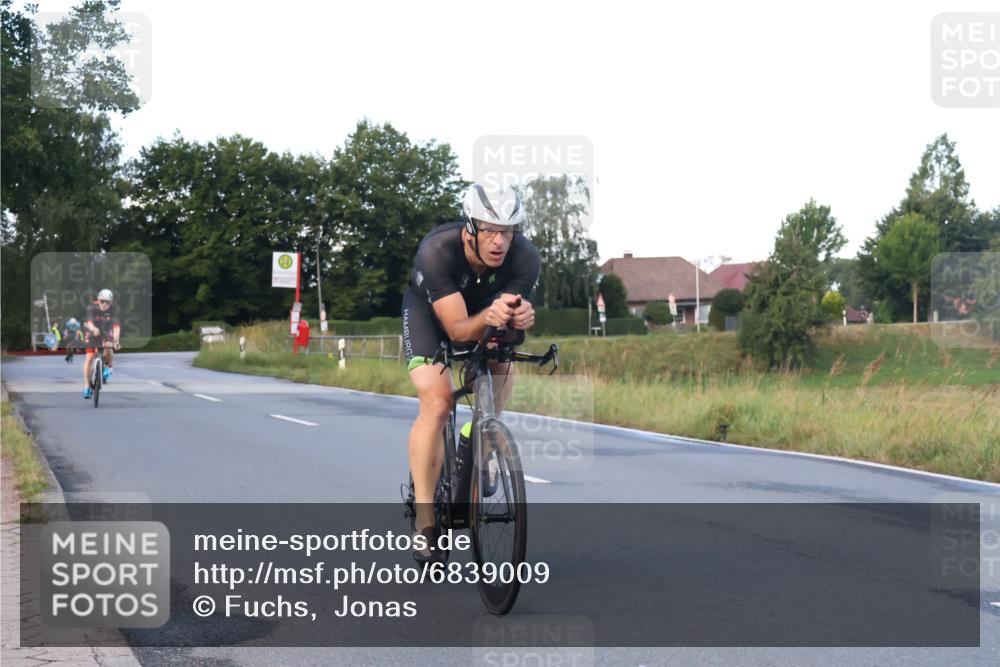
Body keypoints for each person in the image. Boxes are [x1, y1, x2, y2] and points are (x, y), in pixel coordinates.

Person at [402, 184, 540, 563]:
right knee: (438, 402)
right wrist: (493, 317)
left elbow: (506, 333)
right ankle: (426, 522)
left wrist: (519, 322)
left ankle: (482, 438)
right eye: (490, 231)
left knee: (503, 360)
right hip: (431, 317)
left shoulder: (526, 258)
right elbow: (457, 331)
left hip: (481, 315)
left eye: (508, 232)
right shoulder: (437, 251)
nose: (500, 242)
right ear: (470, 229)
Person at [82, 289, 120, 399]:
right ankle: (87, 386)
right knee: (89, 358)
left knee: (108, 346)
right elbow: (89, 323)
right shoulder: (92, 307)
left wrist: (116, 339)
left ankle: (108, 367)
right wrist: (94, 330)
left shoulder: (114, 309)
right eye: (102, 301)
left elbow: (116, 327)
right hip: (93, 330)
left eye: (107, 302)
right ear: (98, 300)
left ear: (111, 302)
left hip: (106, 330)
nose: (104, 304)